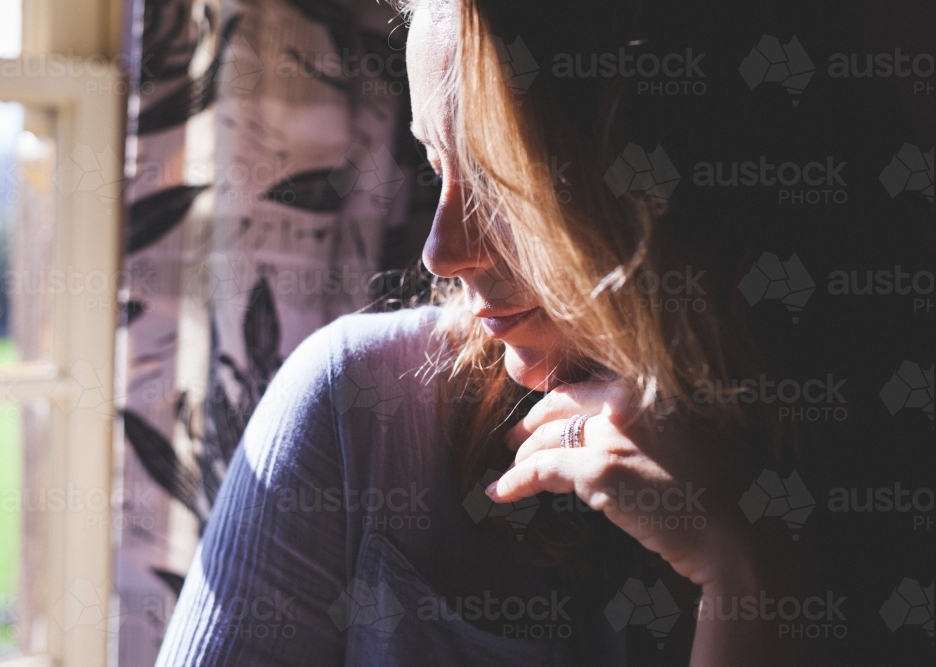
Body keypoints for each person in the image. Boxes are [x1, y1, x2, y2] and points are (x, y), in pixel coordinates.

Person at [156, 1, 805, 665]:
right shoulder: (357, 413)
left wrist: (744, 576)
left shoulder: (843, 456)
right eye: (436, 166)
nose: (441, 251)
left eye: (500, 182)